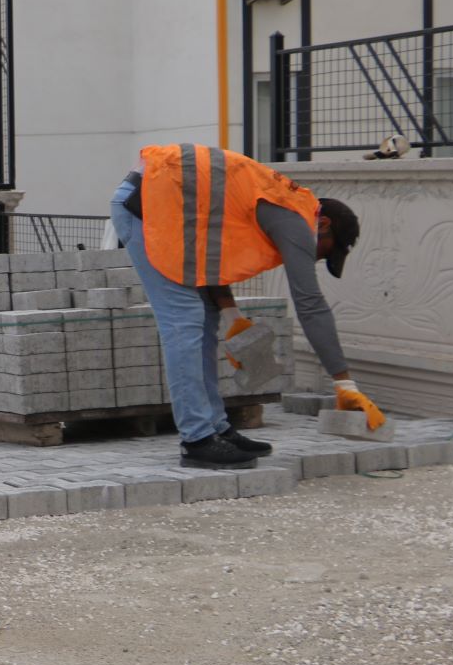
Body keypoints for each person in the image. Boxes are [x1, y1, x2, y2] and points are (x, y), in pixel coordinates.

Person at [109, 143, 382, 469]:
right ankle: (196, 441)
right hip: (146, 206)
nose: (316, 258)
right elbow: (310, 304)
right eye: (325, 252)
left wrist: (231, 315)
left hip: (166, 204)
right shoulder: (297, 218)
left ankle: (216, 428)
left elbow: (208, 260)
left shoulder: (277, 203)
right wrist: (344, 382)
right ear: (323, 225)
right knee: (184, 319)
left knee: (205, 315)